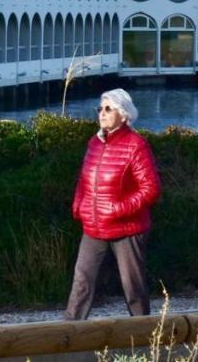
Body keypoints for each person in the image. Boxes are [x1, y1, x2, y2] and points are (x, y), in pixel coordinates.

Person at [64, 88, 161, 320]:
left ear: (124, 114)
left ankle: (144, 338)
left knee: (133, 288)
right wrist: (79, 205)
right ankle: (67, 337)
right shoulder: (94, 143)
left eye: (108, 108)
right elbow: (84, 180)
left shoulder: (136, 145)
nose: (102, 113)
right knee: (81, 283)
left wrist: (118, 209)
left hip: (127, 229)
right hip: (93, 225)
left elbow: (151, 190)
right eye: (100, 108)